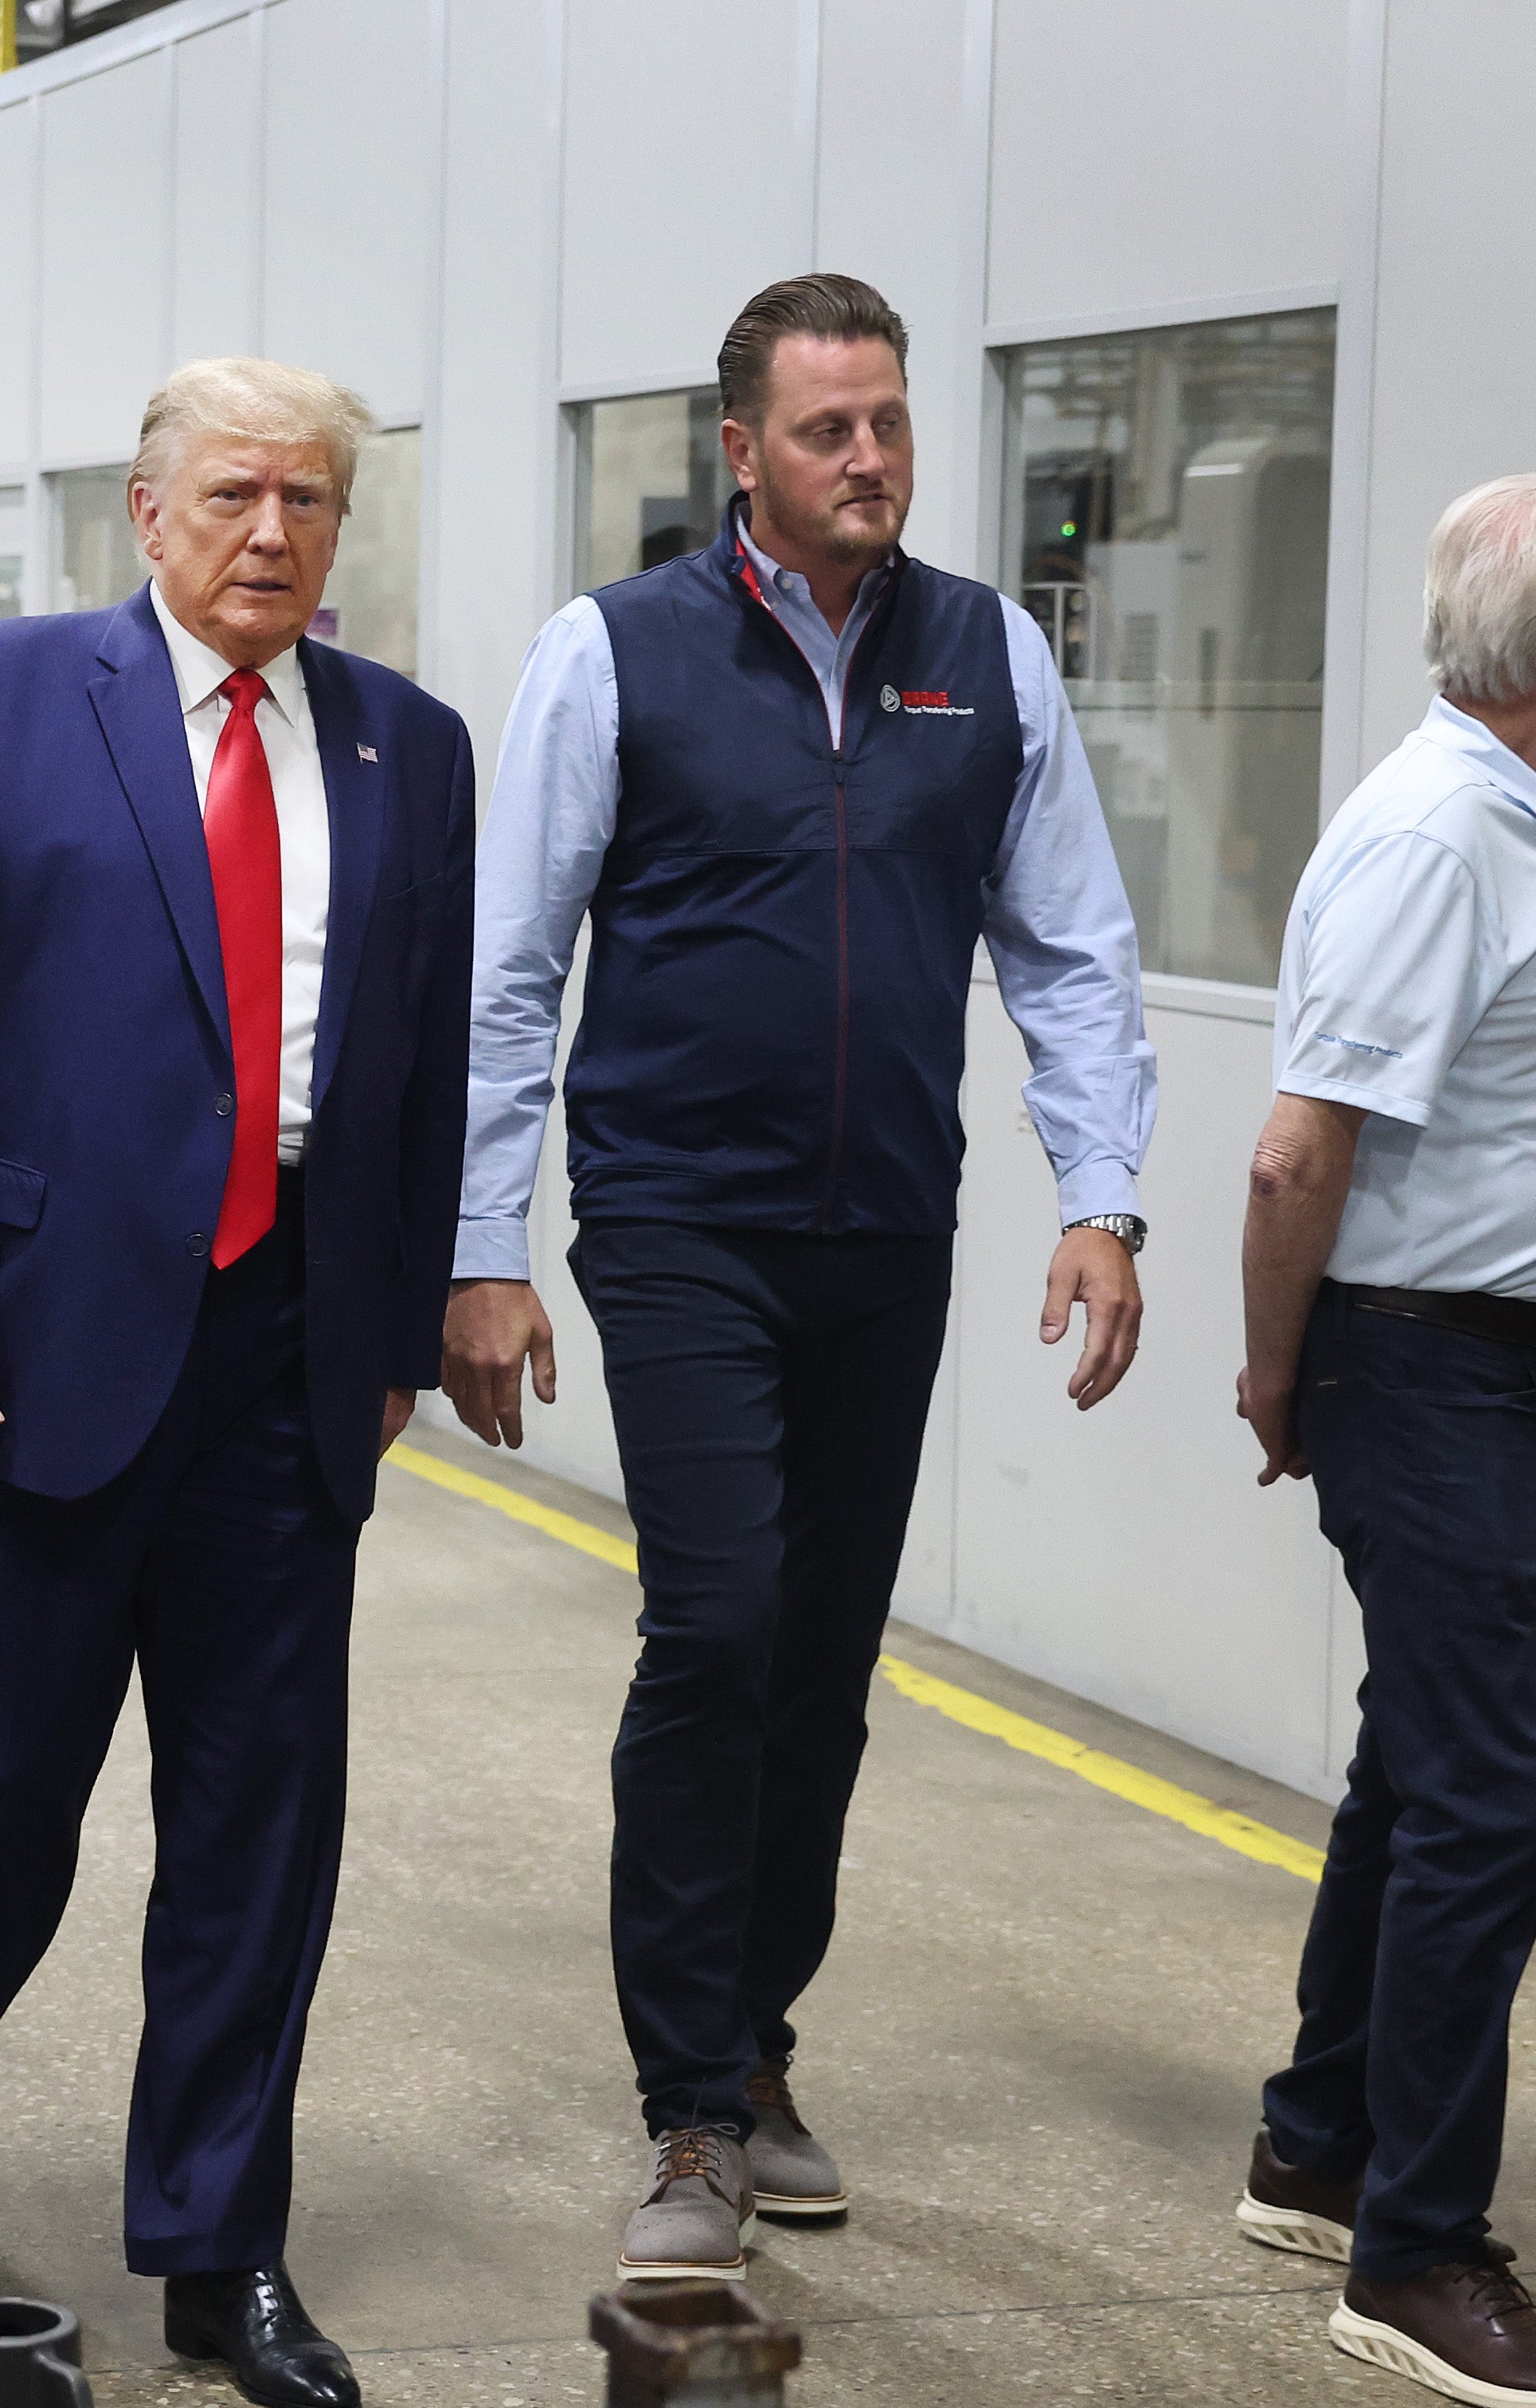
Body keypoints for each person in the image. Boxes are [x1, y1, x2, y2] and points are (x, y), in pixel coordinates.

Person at [444, 272, 1158, 2284]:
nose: (868, 460)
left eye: (890, 425)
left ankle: (755, 2045)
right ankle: (682, 2100)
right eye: (827, 430)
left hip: (883, 1232)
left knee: (824, 1661)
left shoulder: (983, 656)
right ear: (740, 451)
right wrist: (478, 1249)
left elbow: (1073, 949)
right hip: (675, 1223)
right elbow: (513, 971)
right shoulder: (610, 658)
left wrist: (1097, 1194)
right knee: (722, 1619)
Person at [0, 359, 475, 2408]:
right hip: (33, 1349)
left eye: (306, 498)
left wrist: (386, 1330)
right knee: (6, 1781)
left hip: (285, 1358)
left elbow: (416, 1070)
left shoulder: (407, 746)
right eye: (231, 492)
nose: (271, 530)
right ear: (143, 508)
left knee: (254, 1821)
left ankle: (218, 2250)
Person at [1232, 471, 1536, 2408]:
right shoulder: (1435, 838)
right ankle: (1413, 2251)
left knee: (1417, 1765)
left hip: (1490, 1368)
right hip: (1432, 1373)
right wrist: (1273, 1371)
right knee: (1489, 1802)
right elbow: (1294, 1142)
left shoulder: (1508, 821)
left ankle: (1317, 2144)